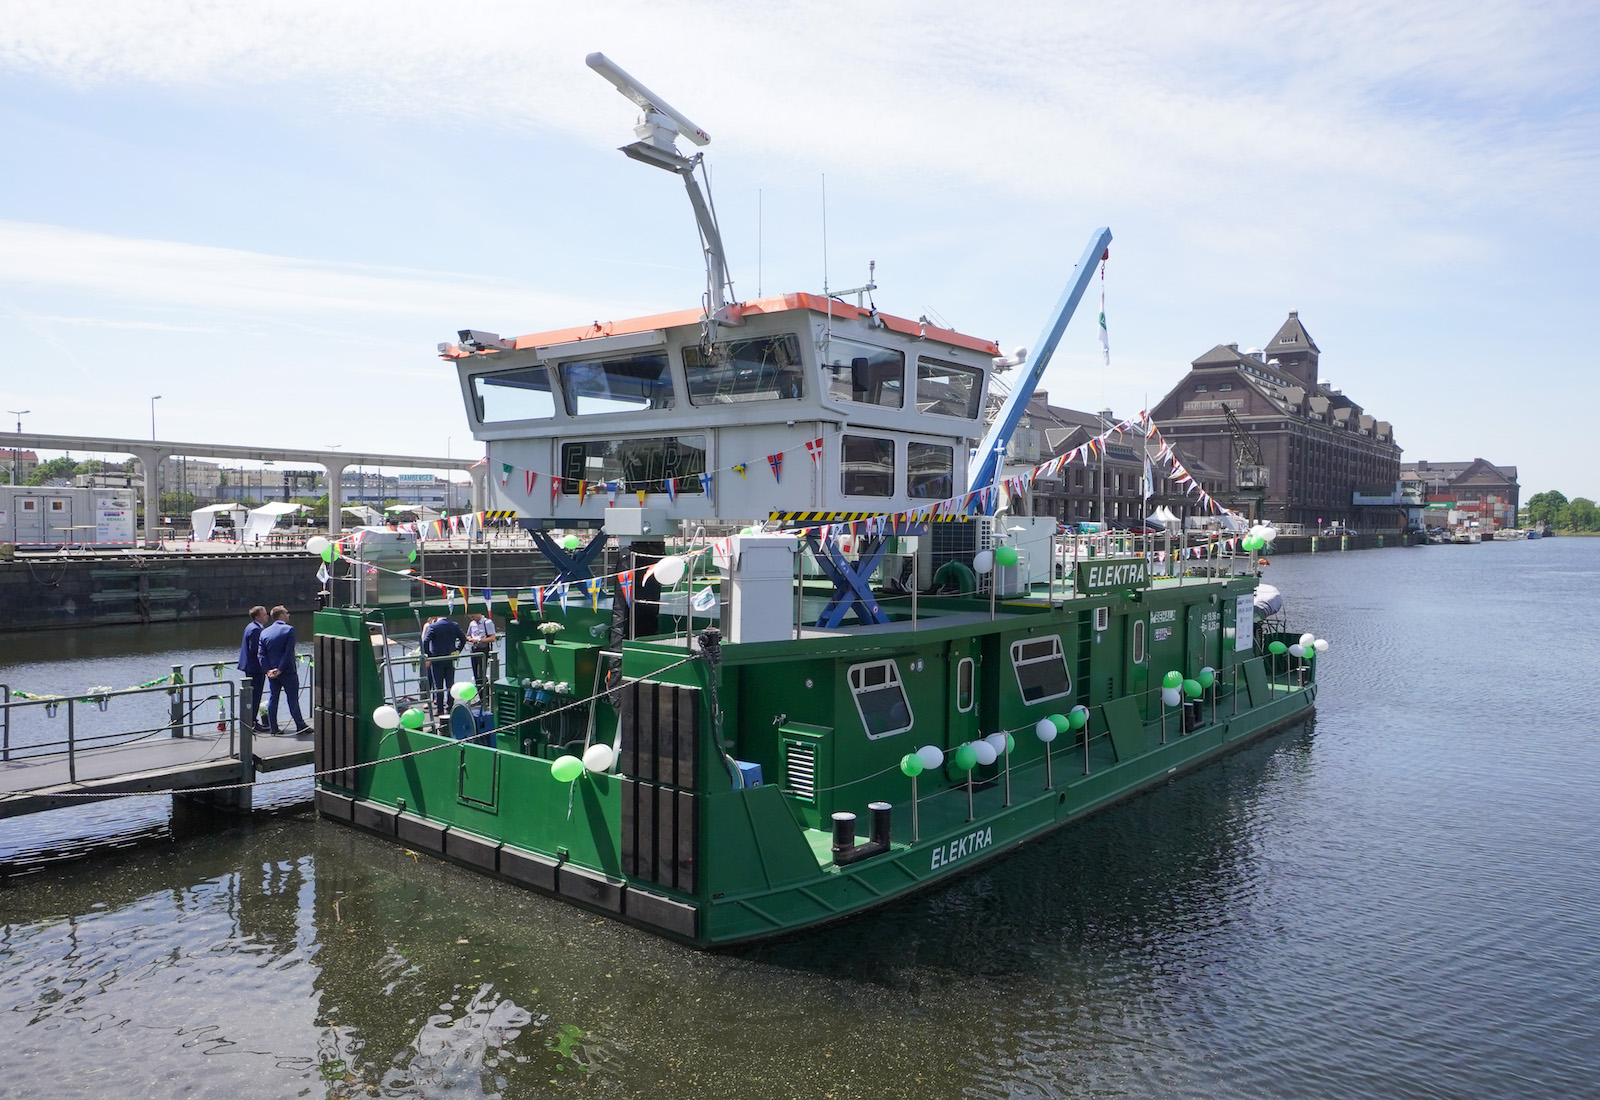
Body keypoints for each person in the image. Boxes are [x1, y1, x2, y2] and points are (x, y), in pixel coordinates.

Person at [258, 605, 311, 735]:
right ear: (281, 615)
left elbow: (261, 654)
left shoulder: (264, 632)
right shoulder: (289, 630)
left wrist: (268, 670)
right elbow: (288, 653)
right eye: (287, 613)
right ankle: (300, 725)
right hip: (287, 671)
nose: (289, 615)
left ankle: (273, 728)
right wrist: (280, 669)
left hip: (271, 673)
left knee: (273, 698)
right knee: (292, 698)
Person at [421, 614, 467, 718]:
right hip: (450, 658)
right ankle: (450, 707)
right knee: (450, 684)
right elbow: (463, 640)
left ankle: (440, 709)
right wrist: (457, 651)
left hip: (436, 659)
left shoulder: (433, 627)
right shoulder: (454, 625)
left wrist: (430, 655)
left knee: (438, 685)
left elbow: (425, 642)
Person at [236, 605, 268, 730]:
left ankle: (251, 720)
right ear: (257, 617)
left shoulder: (251, 627)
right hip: (255, 668)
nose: (267, 616)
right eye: (264, 614)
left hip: (251, 667)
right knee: (255, 695)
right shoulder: (255, 630)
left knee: (253, 694)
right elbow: (255, 649)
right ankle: (252, 722)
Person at [466, 611, 497, 692]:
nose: (472, 618)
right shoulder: (472, 623)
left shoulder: (487, 622)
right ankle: (481, 697)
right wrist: (469, 638)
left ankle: (486, 697)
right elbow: (468, 634)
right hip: (474, 650)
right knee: (476, 675)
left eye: (473, 616)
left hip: (483, 650)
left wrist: (479, 640)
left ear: (478, 613)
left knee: (481, 675)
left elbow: (492, 638)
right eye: (470, 617)